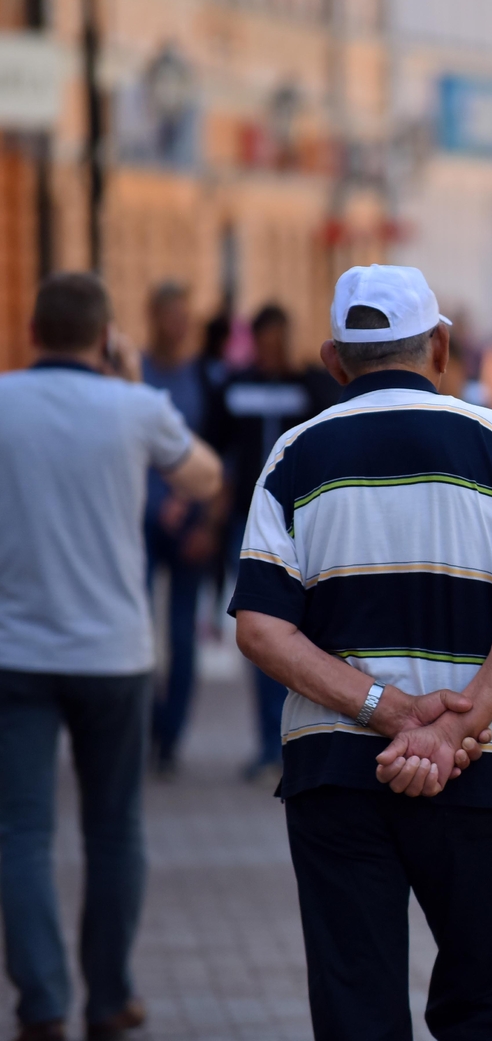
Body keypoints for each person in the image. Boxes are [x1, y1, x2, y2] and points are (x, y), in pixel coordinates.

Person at [231, 265, 492, 1040]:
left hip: (336, 771)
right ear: (441, 346)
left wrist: (384, 711)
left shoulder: (294, 455)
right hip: (474, 765)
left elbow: (260, 624)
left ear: (333, 360)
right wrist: (453, 728)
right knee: (486, 999)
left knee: (357, 1004)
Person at [0, 273, 222, 1041]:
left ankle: (42, 1002)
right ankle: (110, 997)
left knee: (23, 831)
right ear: (106, 337)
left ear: (33, 333)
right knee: (114, 827)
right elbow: (206, 475)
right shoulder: (135, 407)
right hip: (113, 652)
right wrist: (131, 385)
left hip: (15, 649)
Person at [207, 303, 328, 782]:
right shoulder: (235, 389)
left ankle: (303, 739)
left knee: (311, 633)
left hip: (307, 523)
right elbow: (214, 450)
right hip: (251, 525)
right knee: (264, 631)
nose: (272, 350)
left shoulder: (310, 387)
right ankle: (267, 742)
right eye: (265, 341)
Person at [141, 282, 225, 775]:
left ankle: (170, 736)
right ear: (153, 316)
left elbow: (220, 455)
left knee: (181, 631)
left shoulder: (206, 378)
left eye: (184, 315)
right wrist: (156, 503)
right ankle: (147, 722)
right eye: (169, 314)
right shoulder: (136, 375)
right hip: (143, 519)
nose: (178, 324)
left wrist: (205, 516)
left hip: (191, 518)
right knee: (137, 626)